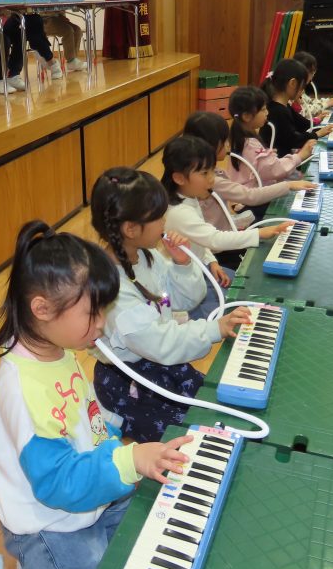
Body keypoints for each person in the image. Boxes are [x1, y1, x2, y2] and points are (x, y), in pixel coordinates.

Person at [0, 221, 194, 569]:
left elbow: (85, 418)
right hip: (48, 521)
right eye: (93, 313)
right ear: (42, 309)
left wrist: (115, 446)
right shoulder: (25, 390)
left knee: (147, 539)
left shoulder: (58, 350)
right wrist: (129, 460)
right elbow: (57, 484)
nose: (103, 324)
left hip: (85, 490)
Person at [89, 168, 251, 442]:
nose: (165, 221)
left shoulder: (145, 254)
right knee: (192, 437)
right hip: (133, 381)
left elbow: (185, 300)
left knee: (217, 408)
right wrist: (213, 329)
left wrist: (182, 263)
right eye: (158, 217)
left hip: (160, 363)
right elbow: (160, 342)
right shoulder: (114, 291)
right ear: (131, 229)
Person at [161, 135, 292, 296]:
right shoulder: (179, 212)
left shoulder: (189, 197)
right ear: (179, 178)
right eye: (204, 173)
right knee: (243, 292)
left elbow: (199, 239)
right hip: (185, 285)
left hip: (201, 267)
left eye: (212, 170)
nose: (212, 179)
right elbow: (214, 239)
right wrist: (259, 233)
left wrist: (212, 261)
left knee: (241, 282)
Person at [182, 111, 315, 264]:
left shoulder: (210, 174)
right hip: (219, 249)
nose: (228, 145)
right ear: (209, 146)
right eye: (224, 142)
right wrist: (289, 185)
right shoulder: (211, 181)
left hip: (220, 242)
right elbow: (250, 196)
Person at [222, 86, 314, 201]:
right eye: (263, 109)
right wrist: (300, 156)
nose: (267, 113)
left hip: (247, 197)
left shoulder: (240, 138)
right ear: (246, 116)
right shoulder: (250, 144)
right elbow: (275, 170)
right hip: (254, 199)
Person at [261, 58, 333, 158]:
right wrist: (317, 134)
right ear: (292, 83)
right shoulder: (277, 111)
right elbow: (293, 140)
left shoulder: (284, 106)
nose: (303, 91)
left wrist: (325, 129)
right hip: (280, 162)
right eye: (302, 86)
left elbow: (304, 124)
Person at [30, 0, 87, 73]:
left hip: (55, 19)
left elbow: (54, 5)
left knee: (77, 30)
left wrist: (61, 0)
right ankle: (71, 60)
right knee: (68, 30)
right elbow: (44, 6)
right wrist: (59, 1)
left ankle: (73, 59)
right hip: (44, 22)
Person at [292, 50, 333, 123]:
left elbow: (309, 102)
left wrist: (331, 100)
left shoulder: (299, 88)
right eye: (312, 72)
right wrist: (328, 103)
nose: (313, 76)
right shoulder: (292, 91)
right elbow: (305, 112)